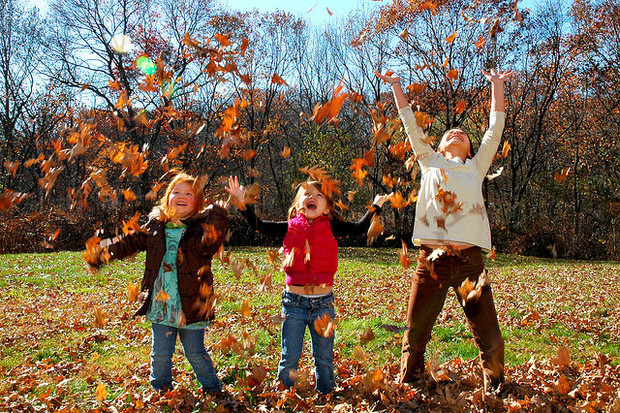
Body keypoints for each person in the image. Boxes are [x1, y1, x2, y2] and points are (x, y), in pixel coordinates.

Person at [374, 68, 514, 388]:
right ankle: (410, 384)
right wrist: (396, 86)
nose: (456, 133)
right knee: (415, 331)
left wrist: (497, 86)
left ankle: (495, 389)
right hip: (430, 263)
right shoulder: (429, 161)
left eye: (463, 134)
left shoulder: (476, 167)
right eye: (450, 132)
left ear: (470, 148)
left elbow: (495, 128)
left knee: (489, 336)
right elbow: (410, 123)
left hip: (470, 264)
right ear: (437, 146)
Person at [226, 176, 390, 394]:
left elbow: (360, 228)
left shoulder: (331, 227)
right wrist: (241, 202)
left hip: (323, 305)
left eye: (319, 195)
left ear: (327, 208)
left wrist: (376, 205)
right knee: (289, 356)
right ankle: (285, 394)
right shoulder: (289, 227)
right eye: (307, 194)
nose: (312, 197)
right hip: (293, 303)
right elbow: (261, 226)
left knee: (323, 356)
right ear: (298, 204)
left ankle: (326, 392)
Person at [83, 172, 227, 394]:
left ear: (196, 202)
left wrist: (218, 214)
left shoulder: (199, 229)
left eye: (189, 193)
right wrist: (101, 253)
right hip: (162, 305)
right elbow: (127, 242)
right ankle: (160, 391)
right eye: (176, 192)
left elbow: (211, 243)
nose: (182, 196)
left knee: (195, 353)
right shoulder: (155, 226)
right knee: (160, 354)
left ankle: (213, 389)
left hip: (191, 305)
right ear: (168, 197)